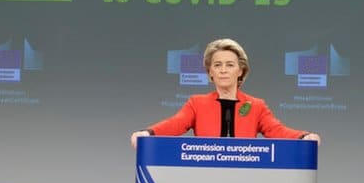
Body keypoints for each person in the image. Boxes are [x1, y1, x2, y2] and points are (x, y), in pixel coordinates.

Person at [130, 38, 321, 147]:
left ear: (241, 71)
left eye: (230, 65)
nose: (223, 70)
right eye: (217, 65)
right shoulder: (196, 103)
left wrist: (304, 136)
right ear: (210, 72)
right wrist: (148, 132)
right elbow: (175, 124)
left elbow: (277, 131)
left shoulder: (256, 106)